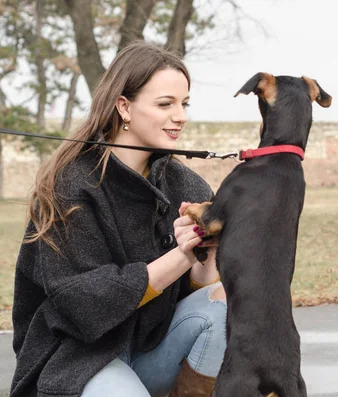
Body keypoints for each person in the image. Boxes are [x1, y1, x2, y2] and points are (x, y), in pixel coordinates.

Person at [10, 41, 226, 397]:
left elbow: (197, 288)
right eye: (165, 104)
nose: (181, 116)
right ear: (124, 107)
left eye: (184, 103)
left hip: (152, 349)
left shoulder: (186, 183)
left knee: (226, 301)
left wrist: (209, 250)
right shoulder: (71, 183)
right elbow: (82, 303)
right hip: (78, 359)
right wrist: (181, 254)